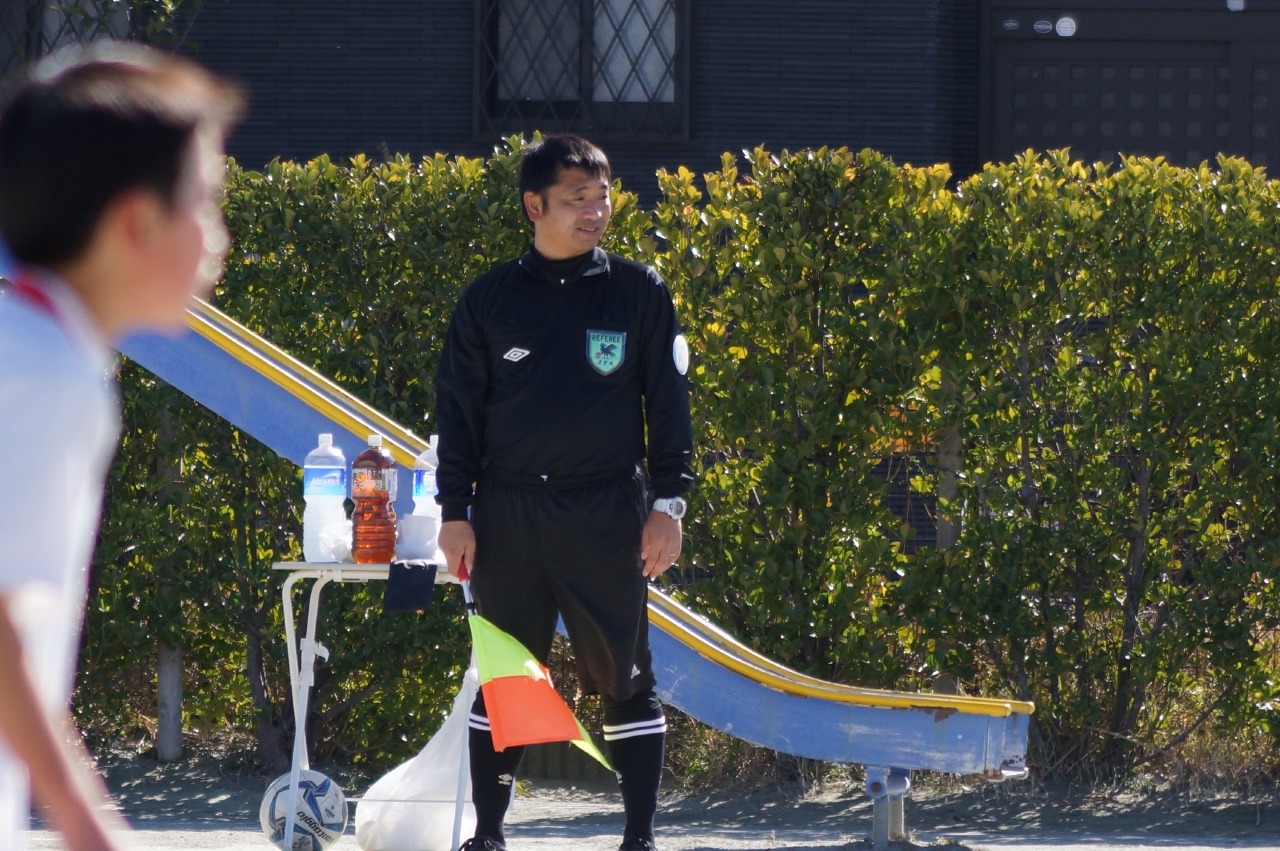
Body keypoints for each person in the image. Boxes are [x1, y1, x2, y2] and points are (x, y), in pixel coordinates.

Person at [0, 42, 244, 851]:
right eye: (204, 203)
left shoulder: (31, 345)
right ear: (135, 223)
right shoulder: (46, 373)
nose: (219, 239)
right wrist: (89, 826)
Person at [435, 134, 694, 851]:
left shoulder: (639, 291)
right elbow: (457, 412)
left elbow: (669, 406)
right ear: (534, 205)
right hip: (508, 511)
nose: (595, 211)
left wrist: (668, 505)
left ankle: (638, 837)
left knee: (624, 676)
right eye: (577, 198)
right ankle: (489, 835)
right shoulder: (489, 299)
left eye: (602, 197)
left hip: (605, 510)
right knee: (508, 676)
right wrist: (455, 511)